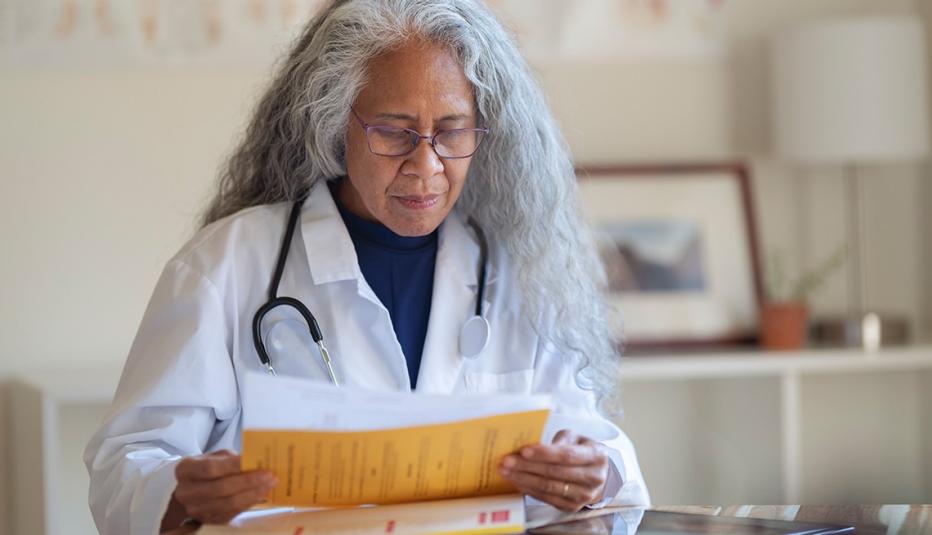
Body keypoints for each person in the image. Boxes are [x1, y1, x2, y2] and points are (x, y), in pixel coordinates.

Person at [84, 0, 650, 533]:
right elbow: (124, 465)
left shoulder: (518, 273)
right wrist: (181, 495)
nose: (425, 165)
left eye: (452, 131)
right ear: (335, 122)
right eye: (394, 132)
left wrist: (592, 473)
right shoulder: (227, 264)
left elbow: (603, 461)